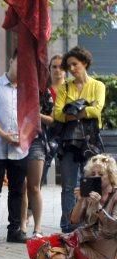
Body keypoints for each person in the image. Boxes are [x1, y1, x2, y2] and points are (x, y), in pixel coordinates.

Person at [52, 46, 106, 233]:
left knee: (91, 184)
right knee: (68, 186)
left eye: (75, 64)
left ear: (84, 63)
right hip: (69, 142)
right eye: (69, 66)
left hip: (91, 141)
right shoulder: (65, 87)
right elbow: (58, 114)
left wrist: (73, 109)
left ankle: (90, 224)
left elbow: (96, 110)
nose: (72, 69)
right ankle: (68, 226)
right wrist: (83, 109)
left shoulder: (98, 85)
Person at [22, 55, 66, 237]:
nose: (57, 70)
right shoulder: (45, 90)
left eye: (60, 67)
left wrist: (36, 114)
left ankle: (66, 222)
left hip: (63, 139)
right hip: (45, 139)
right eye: (54, 67)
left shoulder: (68, 89)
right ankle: (27, 217)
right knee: (34, 182)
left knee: (68, 184)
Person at [0, 50, 28, 243]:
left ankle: (14, 229)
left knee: (17, 190)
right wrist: (4, 135)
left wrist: (24, 135)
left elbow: (31, 117)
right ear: (11, 60)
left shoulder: (27, 89)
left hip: (20, 149)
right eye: (19, 63)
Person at [67, 154, 117, 259]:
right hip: (87, 242)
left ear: (110, 176)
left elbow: (113, 227)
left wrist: (98, 207)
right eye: (93, 174)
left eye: (101, 174)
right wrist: (80, 201)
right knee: (58, 245)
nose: (96, 177)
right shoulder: (90, 193)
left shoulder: (115, 195)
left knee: (67, 252)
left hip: (105, 252)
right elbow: (74, 220)